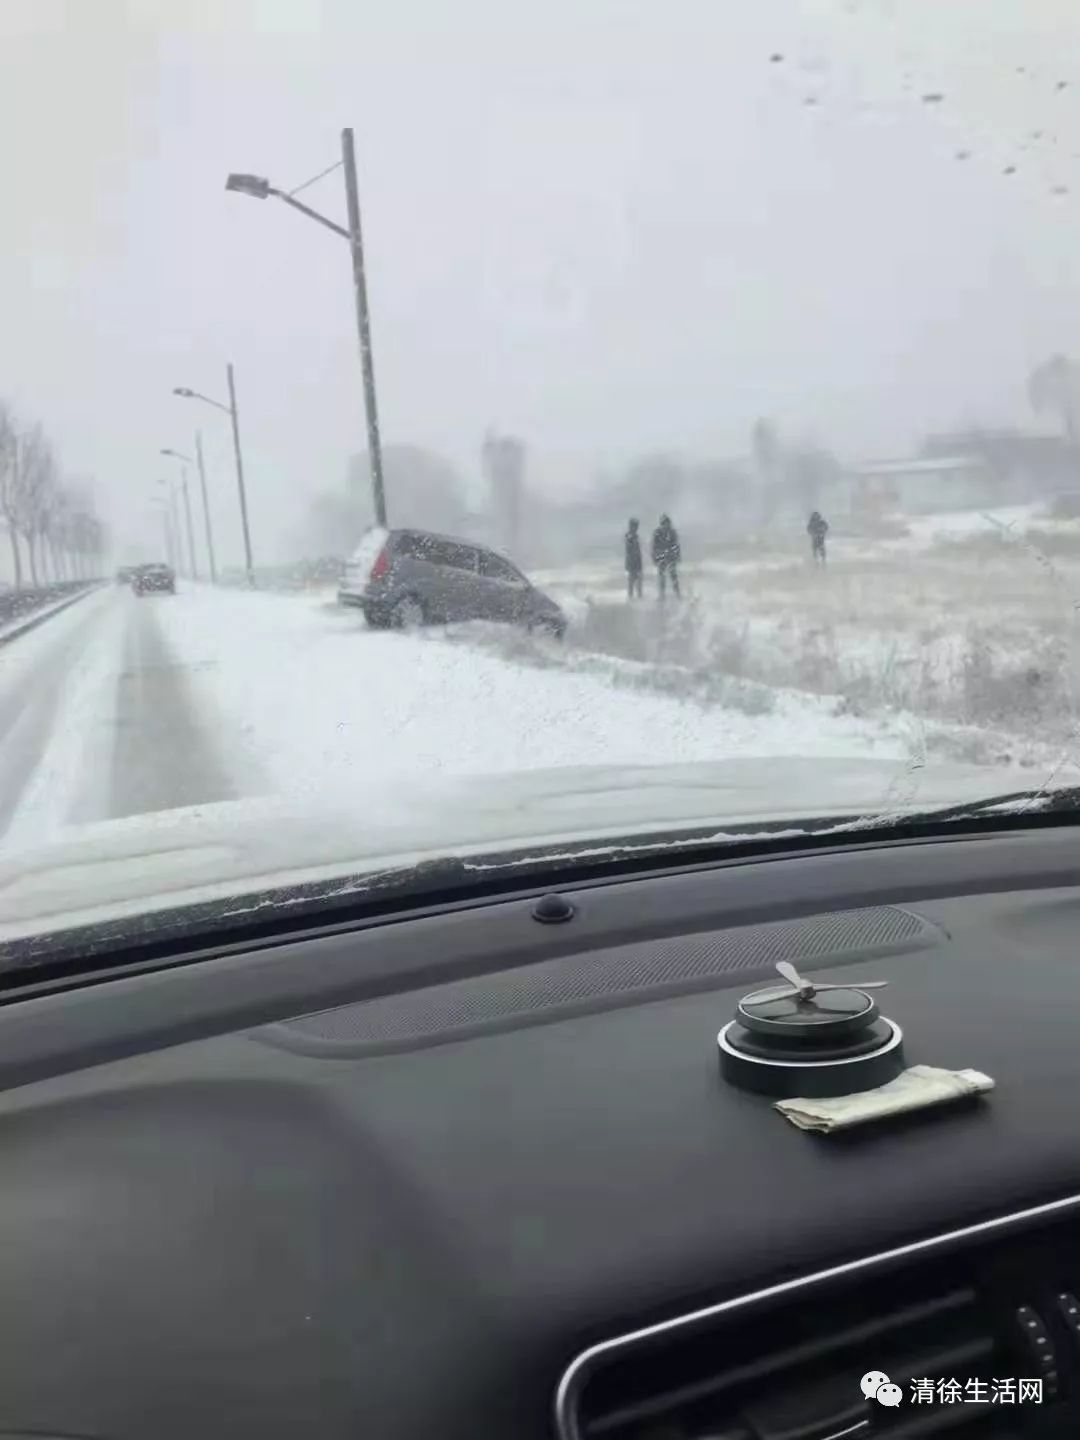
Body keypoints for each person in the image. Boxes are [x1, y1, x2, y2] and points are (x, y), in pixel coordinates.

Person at [651, 514, 681, 598]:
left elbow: (676, 545)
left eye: (668, 523)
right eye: (664, 524)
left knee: (673, 576)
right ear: (662, 524)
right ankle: (662, 595)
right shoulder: (657, 533)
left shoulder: (672, 532)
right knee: (662, 577)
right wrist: (655, 558)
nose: (666, 526)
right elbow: (654, 547)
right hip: (661, 557)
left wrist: (677, 556)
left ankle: (677, 594)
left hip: (671, 557)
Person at [624, 517, 643, 599]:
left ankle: (637, 596)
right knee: (632, 580)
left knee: (638, 580)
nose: (636, 528)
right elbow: (630, 550)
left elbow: (637, 550)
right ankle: (631, 597)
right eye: (635, 526)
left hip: (636, 561)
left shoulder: (634, 536)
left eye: (636, 526)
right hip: (632, 561)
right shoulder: (629, 536)